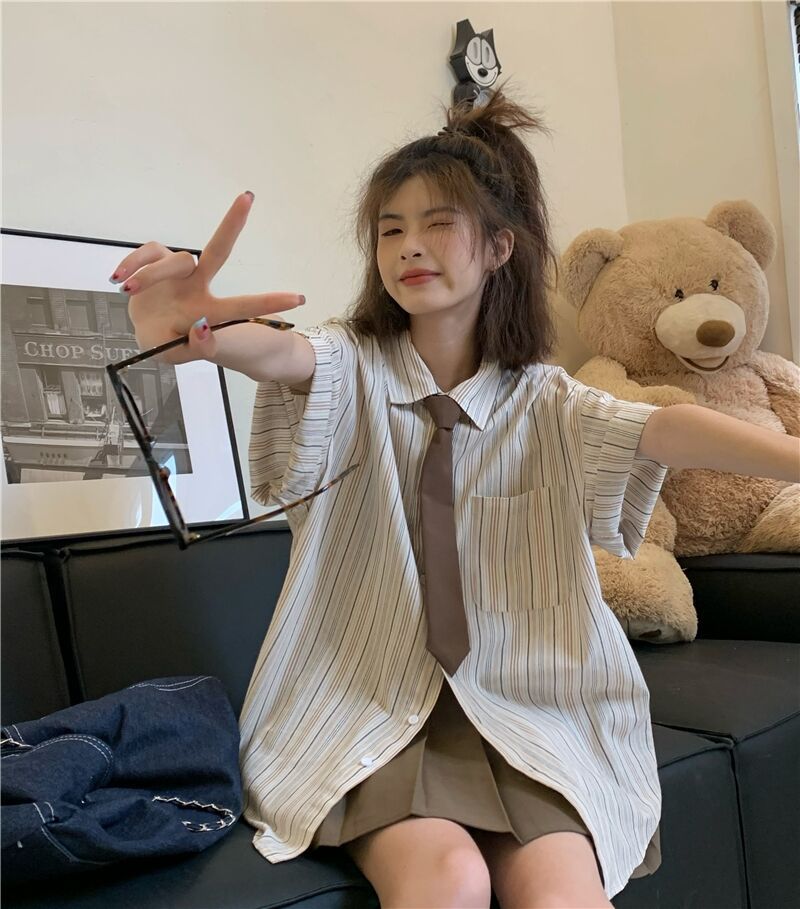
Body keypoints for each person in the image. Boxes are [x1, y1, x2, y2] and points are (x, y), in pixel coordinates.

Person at [112, 82, 799, 909]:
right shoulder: (349, 364)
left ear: (500, 246)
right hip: (363, 701)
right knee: (450, 880)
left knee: (564, 896)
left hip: (525, 703)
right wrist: (199, 333)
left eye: (439, 224)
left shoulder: (543, 399)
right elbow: (282, 356)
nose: (410, 246)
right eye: (390, 229)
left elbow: (664, 427)